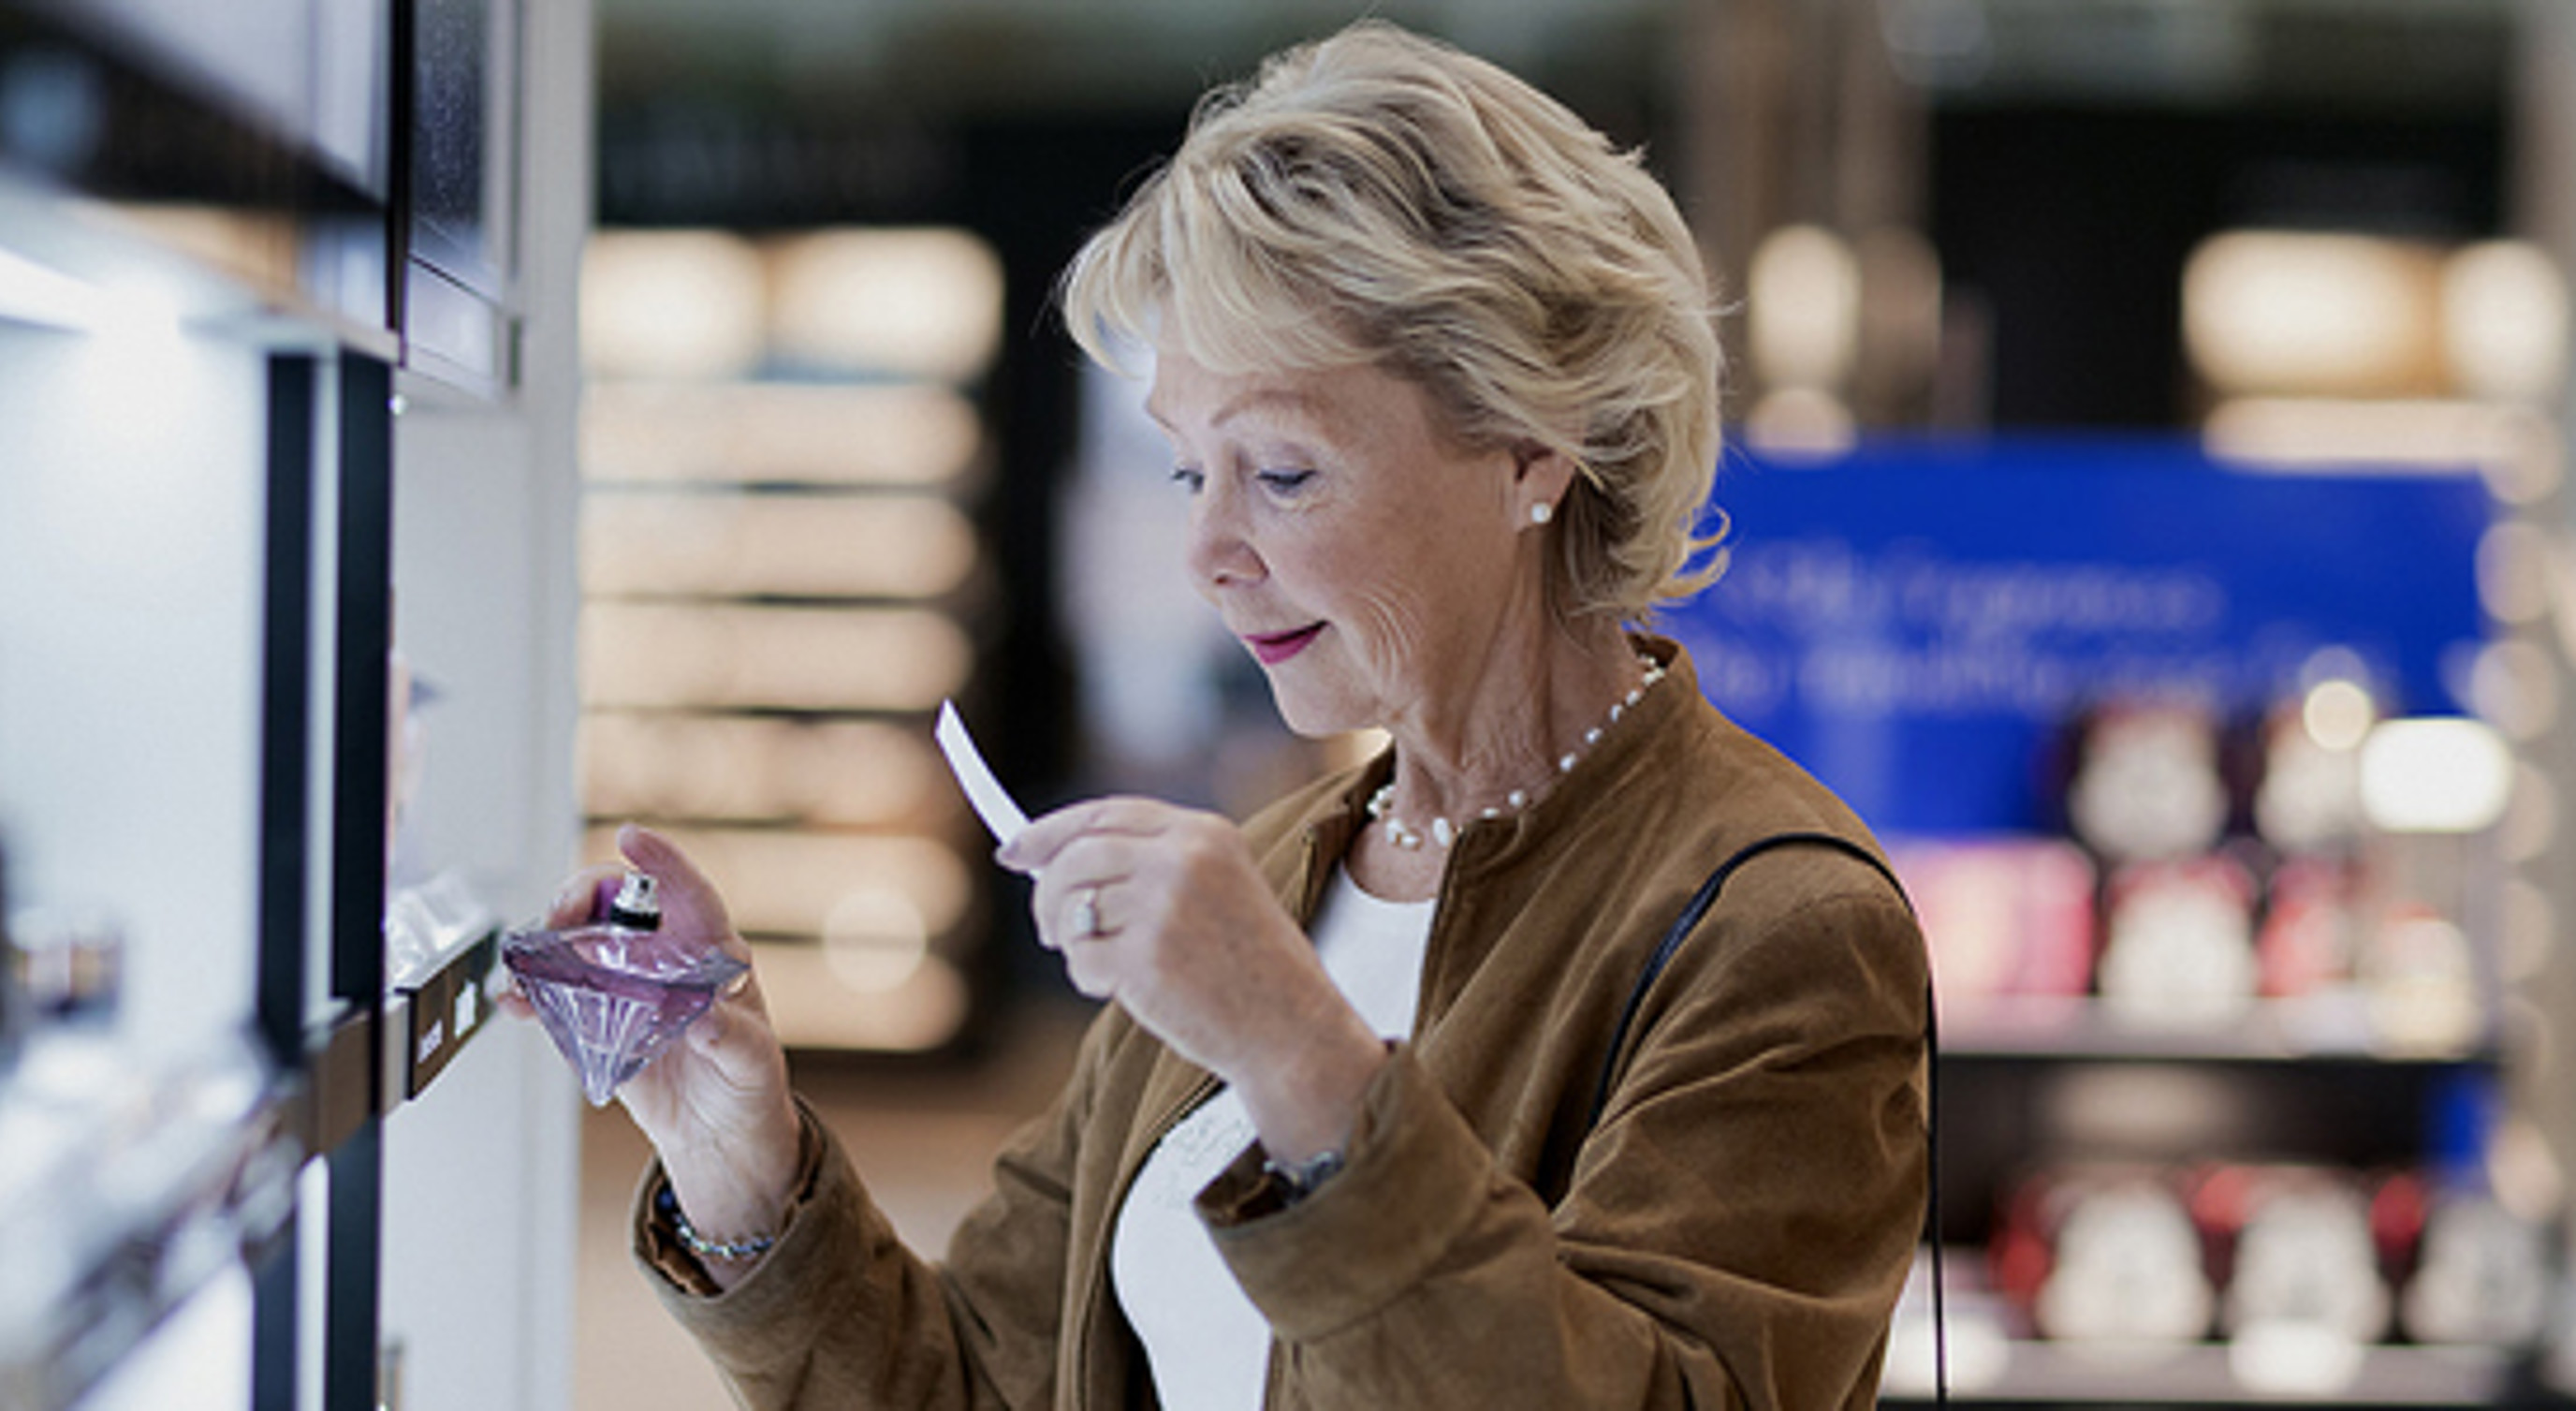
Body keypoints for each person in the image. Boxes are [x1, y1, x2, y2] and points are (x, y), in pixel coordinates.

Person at [547, 20, 1928, 1410]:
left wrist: (1299, 1057)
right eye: (1185, 472)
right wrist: (742, 1159)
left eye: (1281, 472)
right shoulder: (1278, 873)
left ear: (1531, 450)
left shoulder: (1778, 928)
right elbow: (983, 1380)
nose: (1209, 552)